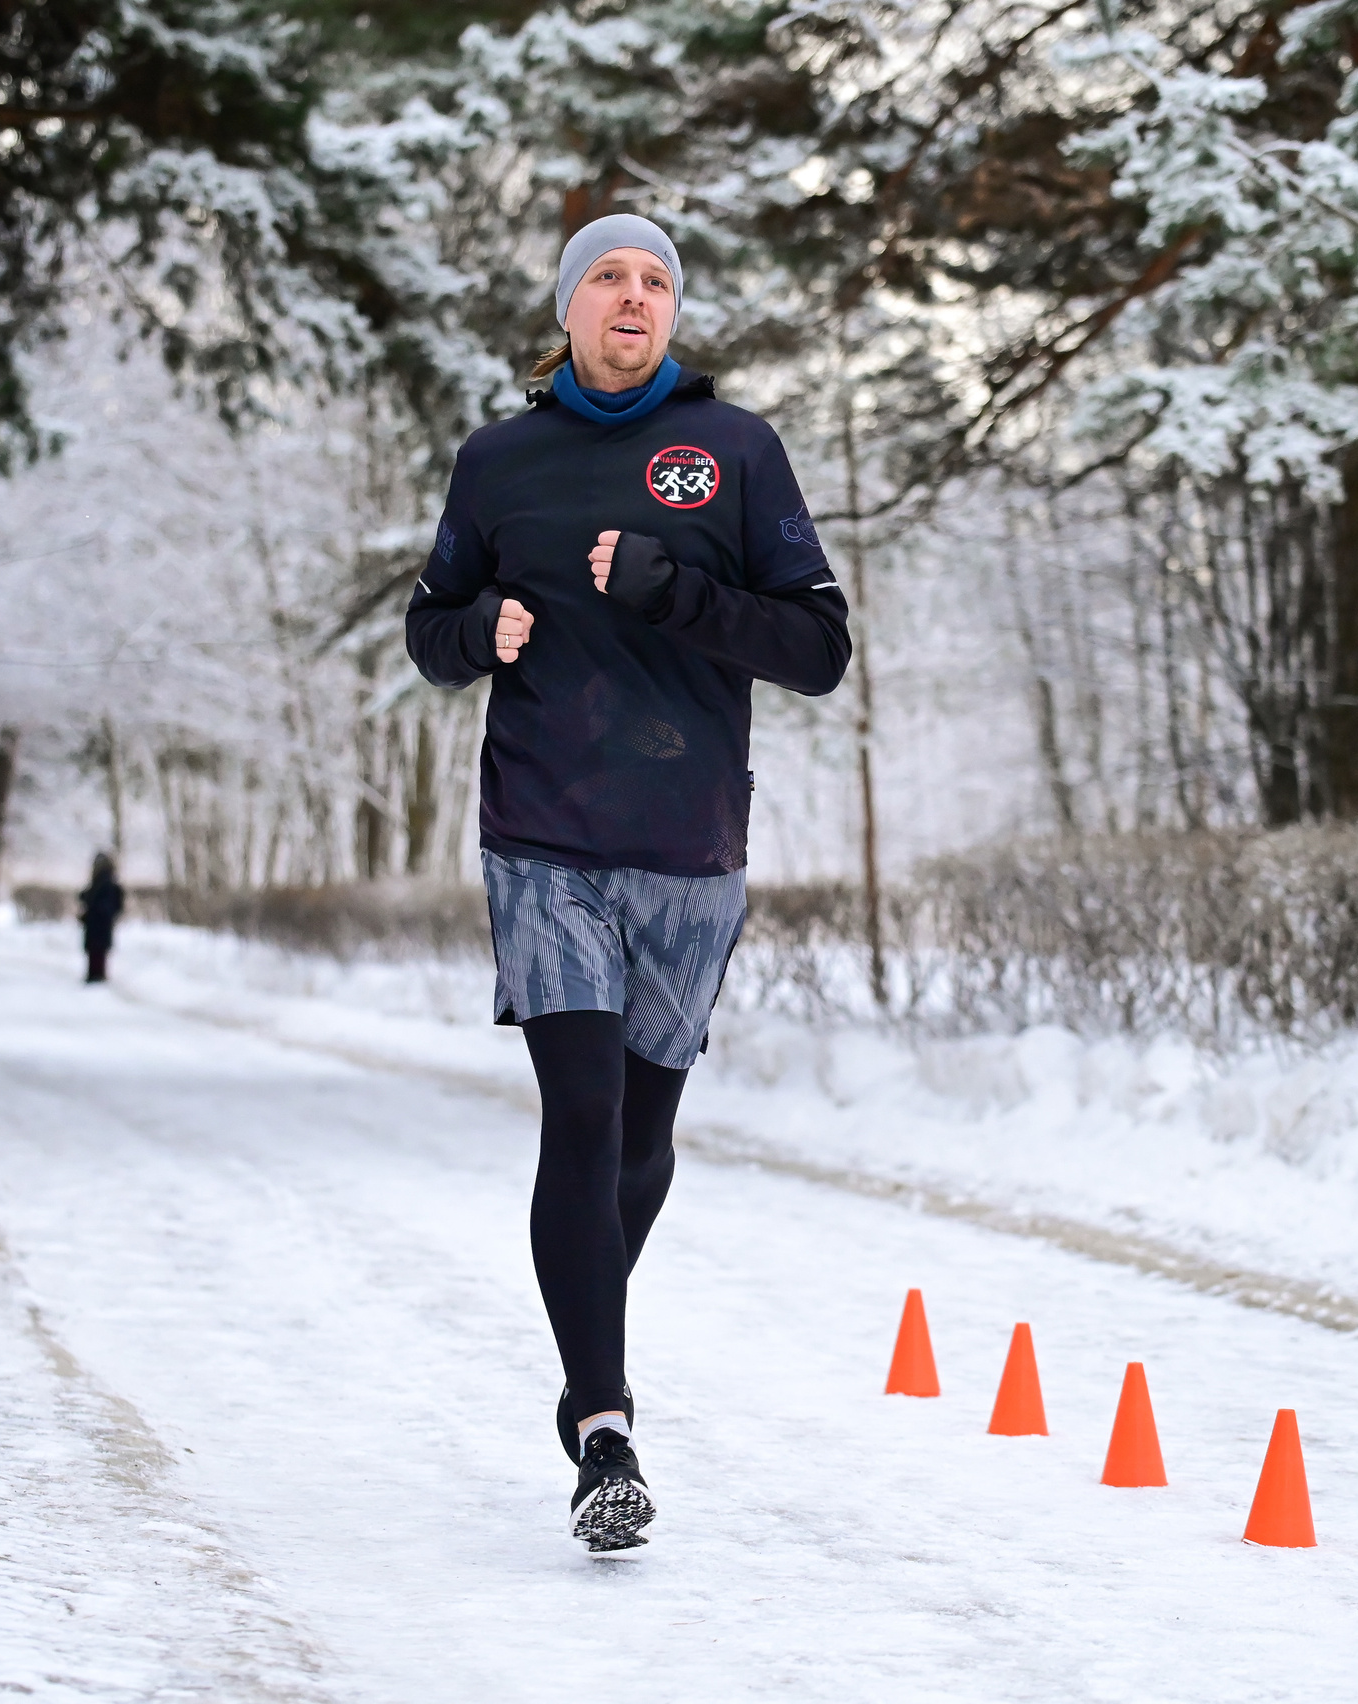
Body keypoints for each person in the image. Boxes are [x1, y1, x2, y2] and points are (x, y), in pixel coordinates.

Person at [405, 214, 850, 1553]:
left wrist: (677, 593)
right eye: (610, 275)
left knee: (644, 1146)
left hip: (690, 847)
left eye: (656, 281)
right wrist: (481, 630)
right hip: (543, 838)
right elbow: (430, 633)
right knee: (583, 1122)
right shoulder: (501, 462)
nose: (634, 296)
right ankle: (604, 1428)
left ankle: (578, 1346)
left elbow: (820, 649)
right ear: (570, 308)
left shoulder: (735, 452)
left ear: (674, 316)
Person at [77, 853, 124, 983]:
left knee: (97, 951)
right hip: (100, 923)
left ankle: (96, 975)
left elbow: (97, 900)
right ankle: (96, 974)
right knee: (97, 951)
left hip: (98, 923)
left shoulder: (103, 882)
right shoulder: (106, 882)